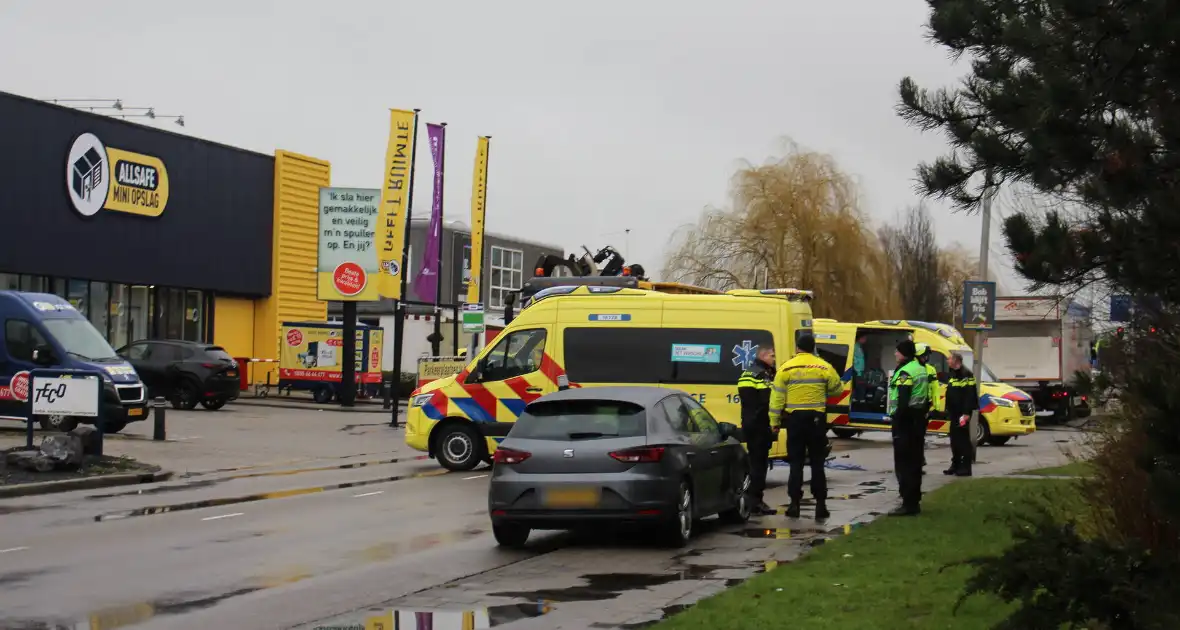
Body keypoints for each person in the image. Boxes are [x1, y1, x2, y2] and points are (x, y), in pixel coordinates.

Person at [769, 334, 842, 521]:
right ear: (813, 347)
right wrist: (822, 391)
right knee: (818, 463)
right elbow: (838, 389)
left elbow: (777, 399)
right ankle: (821, 505)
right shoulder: (824, 366)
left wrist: (774, 423)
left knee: (796, 464)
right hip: (817, 419)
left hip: (795, 420)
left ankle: (794, 504)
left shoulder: (786, 367)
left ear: (798, 348)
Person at [888, 339, 929, 516]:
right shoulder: (920, 368)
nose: (895, 354)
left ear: (903, 353)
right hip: (918, 420)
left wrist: (896, 418)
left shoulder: (905, 372)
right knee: (915, 462)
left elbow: (903, 401)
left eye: (897, 351)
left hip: (905, 423)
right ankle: (914, 501)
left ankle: (907, 503)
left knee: (903, 463)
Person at [738, 346, 777, 516]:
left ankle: (752, 500)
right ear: (762, 355)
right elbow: (766, 402)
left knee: (756, 464)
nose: (774, 358)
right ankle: (755, 501)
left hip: (752, 424)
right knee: (758, 466)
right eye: (771, 355)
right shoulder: (761, 375)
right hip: (760, 426)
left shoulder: (750, 373)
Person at [943, 352, 978, 476]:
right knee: (954, 440)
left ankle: (965, 467)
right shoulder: (953, 374)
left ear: (956, 360)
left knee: (963, 440)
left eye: (949, 359)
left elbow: (970, 395)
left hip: (962, 414)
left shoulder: (966, 375)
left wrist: (967, 413)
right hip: (954, 413)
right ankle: (955, 464)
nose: (947, 361)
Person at [915, 343, 939, 472]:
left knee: (920, 436)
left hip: (925, 407)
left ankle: (919, 461)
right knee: (913, 437)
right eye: (926, 355)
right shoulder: (911, 368)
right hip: (913, 408)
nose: (927, 357)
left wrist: (935, 407)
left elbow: (935, 389)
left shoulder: (930, 369)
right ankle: (915, 462)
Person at [852, 334, 867, 402]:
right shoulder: (855, 346)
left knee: (859, 383)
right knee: (858, 384)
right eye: (864, 338)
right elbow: (852, 356)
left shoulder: (859, 346)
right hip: (857, 369)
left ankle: (859, 398)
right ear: (860, 339)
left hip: (859, 369)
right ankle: (857, 398)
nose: (865, 340)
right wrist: (856, 363)